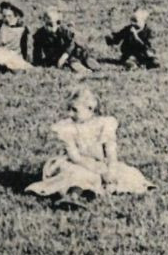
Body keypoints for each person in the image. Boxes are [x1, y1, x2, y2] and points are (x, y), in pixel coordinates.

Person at [24, 87, 152, 204]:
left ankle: (102, 189)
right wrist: (94, 168)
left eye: (74, 110)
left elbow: (111, 153)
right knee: (78, 174)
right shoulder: (68, 128)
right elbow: (74, 156)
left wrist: (109, 170)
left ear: (90, 109)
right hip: (78, 162)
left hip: (100, 163)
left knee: (122, 174)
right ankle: (72, 196)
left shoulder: (104, 125)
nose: (70, 114)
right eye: (68, 109)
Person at [32, 7, 92, 73]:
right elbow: (37, 51)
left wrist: (64, 56)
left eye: (51, 24)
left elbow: (71, 44)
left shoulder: (64, 31)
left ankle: (84, 70)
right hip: (53, 57)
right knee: (49, 64)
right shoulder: (40, 34)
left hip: (68, 54)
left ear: (58, 23)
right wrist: (37, 64)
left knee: (73, 62)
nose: (48, 28)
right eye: (46, 24)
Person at [0, 1, 33, 72]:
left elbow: (25, 46)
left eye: (10, 16)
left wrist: (25, 59)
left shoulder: (22, 29)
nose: (7, 19)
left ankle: (7, 68)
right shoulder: (1, 25)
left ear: (16, 16)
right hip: (0, 52)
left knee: (14, 63)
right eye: (4, 16)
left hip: (14, 54)